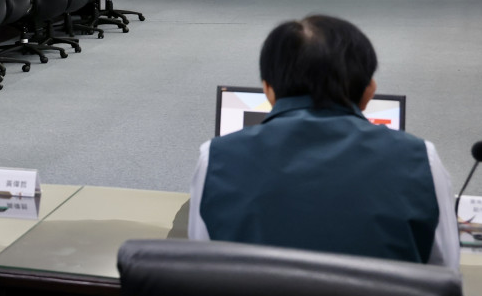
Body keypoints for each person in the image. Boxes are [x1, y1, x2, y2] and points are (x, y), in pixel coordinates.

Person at [188, 15, 459, 269]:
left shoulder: (215, 157)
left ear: (268, 90)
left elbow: (203, 265)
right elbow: (445, 275)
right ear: (369, 92)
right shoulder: (421, 159)